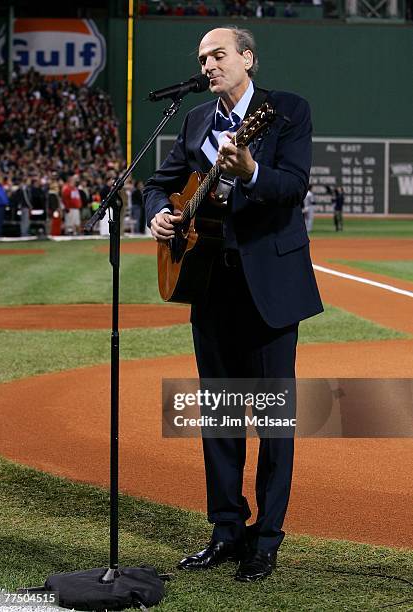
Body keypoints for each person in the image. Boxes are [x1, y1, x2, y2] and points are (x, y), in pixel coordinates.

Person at [144, 27, 323, 582]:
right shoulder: (196, 119)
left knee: (272, 422)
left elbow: (292, 186)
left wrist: (251, 173)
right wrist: (157, 212)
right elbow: (160, 182)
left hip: (268, 290)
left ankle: (265, 541)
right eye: (202, 57)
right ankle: (226, 531)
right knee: (219, 421)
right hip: (209, 287)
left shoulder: (286, 111)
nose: (209, 64)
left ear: (248, 58)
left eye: (219, 54)